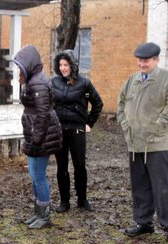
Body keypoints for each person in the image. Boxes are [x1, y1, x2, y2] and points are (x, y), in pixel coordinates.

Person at [117, 42, 168, 243]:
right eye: (139, 60)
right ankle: (143, 222)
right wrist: (125, 124)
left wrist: (158, 125)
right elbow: (121, 104)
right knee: (139, 185)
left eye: (145, 61)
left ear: (156, 60)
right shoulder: (132, 80)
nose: (141, 64)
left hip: (156, 143)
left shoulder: (167, 80)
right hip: (135, 143)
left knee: (162, 186)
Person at [14, 45, 63, 229]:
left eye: (20, 65)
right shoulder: (34, 80)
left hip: (42, 136)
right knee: (34, 175)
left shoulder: (38, 83)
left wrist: (36, 140)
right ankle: (38, 212)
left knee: (38, 175)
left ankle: (44, 216)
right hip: (37, 134)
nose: (19, 70)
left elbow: (42, 115)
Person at [51, 49, 103, 213]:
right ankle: (64, 201)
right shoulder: (54, 82)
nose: (63, 68)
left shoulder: (84, 83)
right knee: (61, 167)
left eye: (66, 65)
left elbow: (98, 103)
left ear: (72, 65)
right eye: (60, 65)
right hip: (59, 129)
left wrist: (89, 122)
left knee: (79, 166)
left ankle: (82, 199)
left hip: (77, 129)